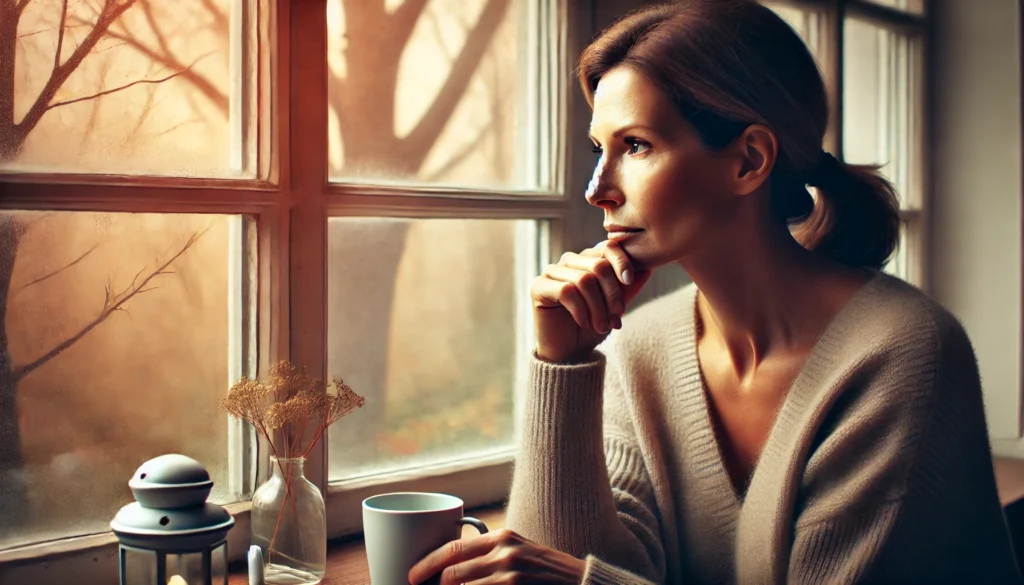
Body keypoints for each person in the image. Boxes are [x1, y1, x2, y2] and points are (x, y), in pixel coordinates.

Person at [407, 1, 1022, 583]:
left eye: (636, 146)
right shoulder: (637, 348)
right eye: (600, 149)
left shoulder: (905, 356)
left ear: (748, 161)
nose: (598, 189)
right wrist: (561, 364)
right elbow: (554, 567)